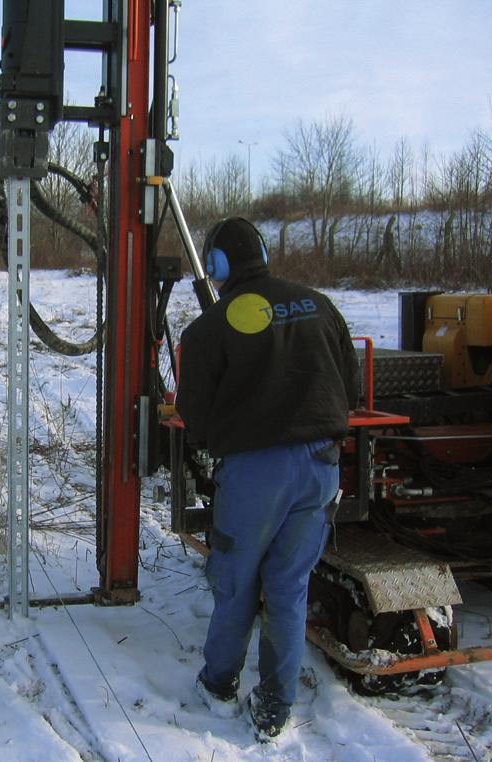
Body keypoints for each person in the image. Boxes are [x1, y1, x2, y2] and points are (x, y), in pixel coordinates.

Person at [175, 217, 359, 741]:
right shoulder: (319, 305)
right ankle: (275, 705)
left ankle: (217, 686)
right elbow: (350, 387)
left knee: (235, 583)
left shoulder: (207, 328)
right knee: (288, 587)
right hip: (321, 467)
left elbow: (197, 418)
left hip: (256, 475)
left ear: (217, 266)